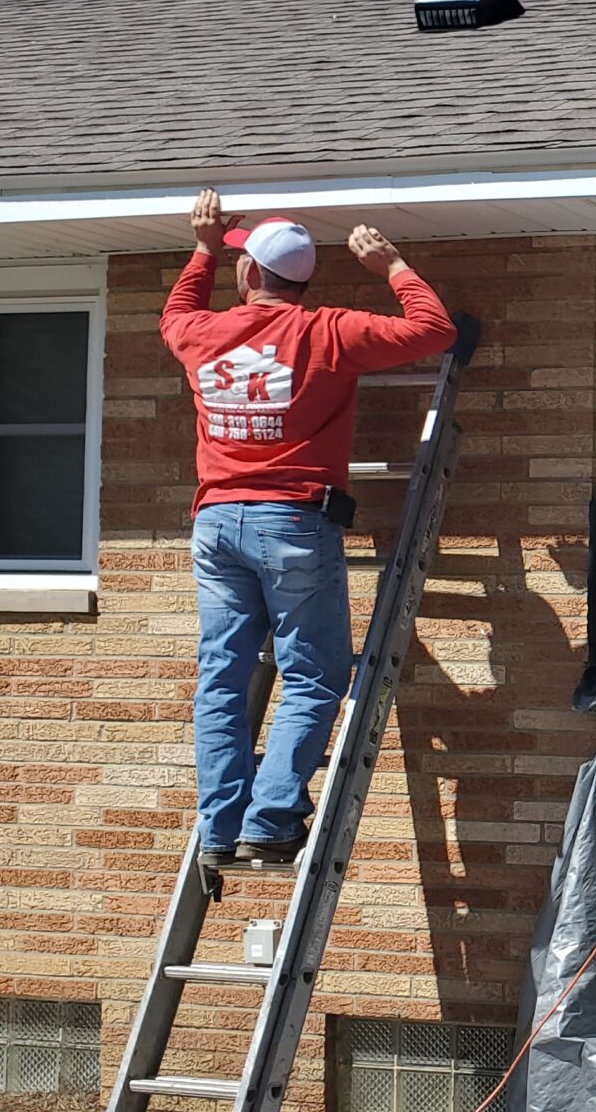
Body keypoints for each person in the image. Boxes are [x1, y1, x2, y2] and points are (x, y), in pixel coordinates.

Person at [162, 192, 456, 860]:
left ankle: (220, 827)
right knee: (314, 676)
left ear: (249, 275)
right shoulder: (329, 330)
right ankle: (269, 822)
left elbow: (176, 313)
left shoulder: (204, 333)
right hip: (290, 522)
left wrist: (206, 246)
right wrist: (393, 265)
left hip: (216, 523)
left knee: (223, 678)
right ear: (301, 279)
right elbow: (436, 331)